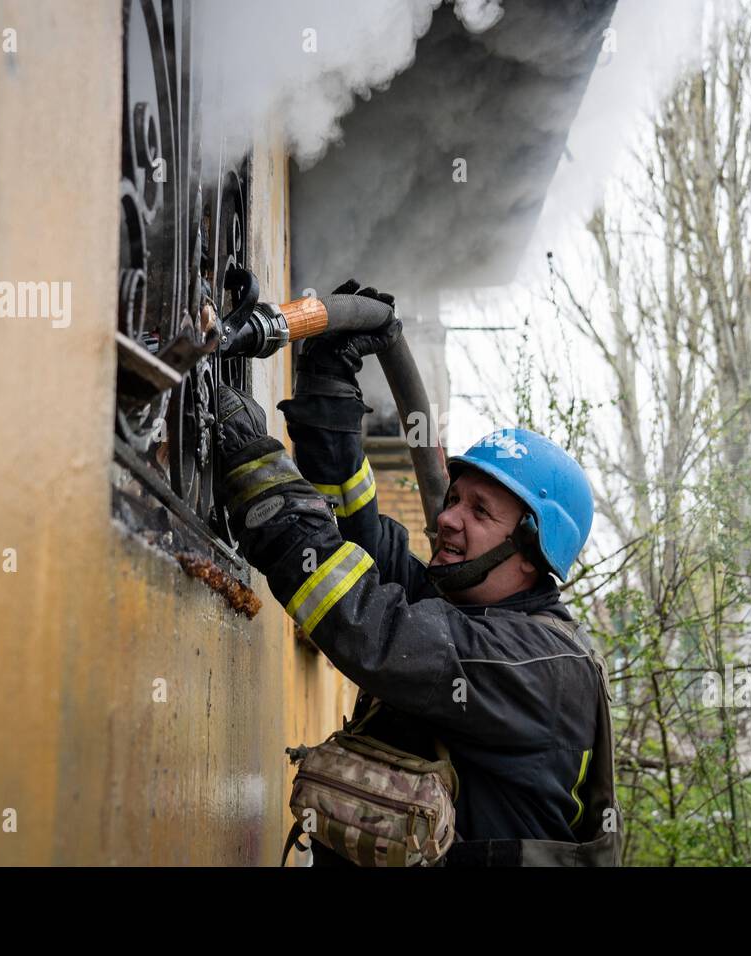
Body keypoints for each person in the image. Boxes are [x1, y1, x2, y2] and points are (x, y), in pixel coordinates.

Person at [212, 281, 618, 866]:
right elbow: (358, 539)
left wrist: (259, 474)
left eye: (480, 512)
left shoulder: (539, 667)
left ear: (531, 551)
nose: (447, 519)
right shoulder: (468, 607)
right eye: (454, 498)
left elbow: (370, 627)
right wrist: (330, 388)